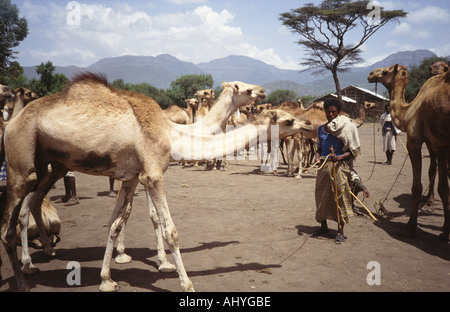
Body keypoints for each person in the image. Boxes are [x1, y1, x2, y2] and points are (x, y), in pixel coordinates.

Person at [312, 98, 362, 244]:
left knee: (339, 197)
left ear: (338, 112)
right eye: (328, 112)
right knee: (321, 197)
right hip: (323, 168)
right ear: (325, 112)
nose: (331, 114)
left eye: (334, 112)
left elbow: (355, 151)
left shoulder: (346, 127)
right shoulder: (321, 129)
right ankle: (323, 227)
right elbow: (319, 148)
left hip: (339, 168)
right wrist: (317, 157)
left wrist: (339, 156)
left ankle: (340, 231)